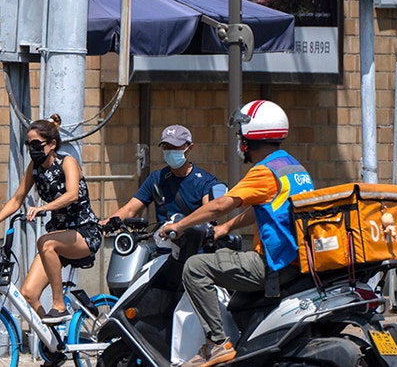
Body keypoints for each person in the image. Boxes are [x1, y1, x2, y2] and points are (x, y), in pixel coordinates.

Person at [156, 101, 314, 367]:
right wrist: (227, 227)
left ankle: (216, 343)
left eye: (241, 135)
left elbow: (220, 205)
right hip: (297, 260)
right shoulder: (292, 166)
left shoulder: (264, 171)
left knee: (195, 268)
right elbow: (264, 207)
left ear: (250, 138)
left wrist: (179, 226)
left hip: (274, 263)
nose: (239, 141)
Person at [0, 114, 103, 326]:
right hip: (58, 237)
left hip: (84, 232)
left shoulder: (67, 162)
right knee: (28, 293)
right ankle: (53, 344)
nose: (31, 148)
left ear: (52, 144)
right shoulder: (34, 168)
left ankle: (59, 306)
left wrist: (43, 207)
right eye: (28, 144)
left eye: (36, 143)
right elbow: (17, 199)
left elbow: (72, 194)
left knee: (45, 241)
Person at [104, 124, 220, 228]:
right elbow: (130, 209)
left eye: (175, 147)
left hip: (196, 249)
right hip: (163, 247)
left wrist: (181, 226)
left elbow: (209, 212)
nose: (170, 151)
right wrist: (105, 223)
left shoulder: (206, 181)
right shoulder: (157, 178)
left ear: (189, 148)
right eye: (166, 147)